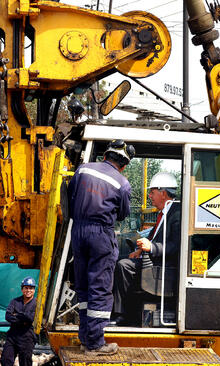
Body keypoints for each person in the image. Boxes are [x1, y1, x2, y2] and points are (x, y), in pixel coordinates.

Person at [68, 139, 135, 355]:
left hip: (78, 231)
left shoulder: (83, 170)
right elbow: (123, 214)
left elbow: (70, 197)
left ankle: (85, 337)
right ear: (124, 164)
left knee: (84, 285)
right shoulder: (122, 184)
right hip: (101, 235)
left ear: (105, 155)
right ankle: (96, 344)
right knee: (100, 287)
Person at [113, 171, 181, 325]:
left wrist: (151, 248)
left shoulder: (176, 214)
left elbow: (176, 246)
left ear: (163, 194)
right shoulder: (164, 213)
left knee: (123, 266)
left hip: (164, 267)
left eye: (152, 192)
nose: (150, 196)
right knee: (123, 261)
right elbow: (155, 236)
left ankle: (122, 316)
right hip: (155, 261)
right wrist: (139, 250)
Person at [1, 277, 37, 366]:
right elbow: (8, 316)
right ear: (22, 289)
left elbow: (31, 318)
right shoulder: (15, 301)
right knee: (6, 360)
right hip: (12, 336)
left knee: (25, 362)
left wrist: (16, 315)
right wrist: (23, 318)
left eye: (31, 288)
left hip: (27, 337)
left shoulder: (37, 303)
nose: (28, 290)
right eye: (26, 288)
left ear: (34, 290)